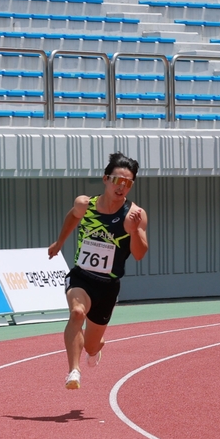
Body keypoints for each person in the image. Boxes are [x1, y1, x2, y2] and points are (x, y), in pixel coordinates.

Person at [47, 152, 149, 390]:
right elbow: (73, 217)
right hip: (81, 276)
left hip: (108, 285)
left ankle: (95, 348)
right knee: (77, 313)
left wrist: (134, 231)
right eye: (117, 180)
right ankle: (74, 371)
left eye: (128, 183)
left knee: (91, 346)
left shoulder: (134, 215)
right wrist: (60, 242)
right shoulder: (85, 204)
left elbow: (140, 253)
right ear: (105, 179)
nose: (121, 186)